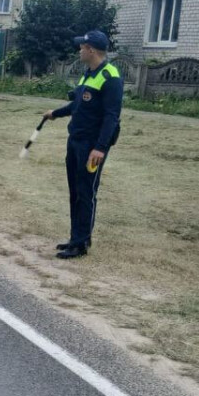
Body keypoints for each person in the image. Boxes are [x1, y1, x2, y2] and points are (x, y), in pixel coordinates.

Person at [42, 30, 123, 260]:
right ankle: (75, 237)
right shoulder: (88, 74)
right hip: (75, 140)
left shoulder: (110, 77)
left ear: (92, 50)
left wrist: (100, 147)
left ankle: (81, 243)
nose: (79, 51)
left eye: (82, 47)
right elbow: (77, 105)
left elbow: (111, 117)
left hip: (92, 146)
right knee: (75, 191)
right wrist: (55, 114)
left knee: (86, 192)